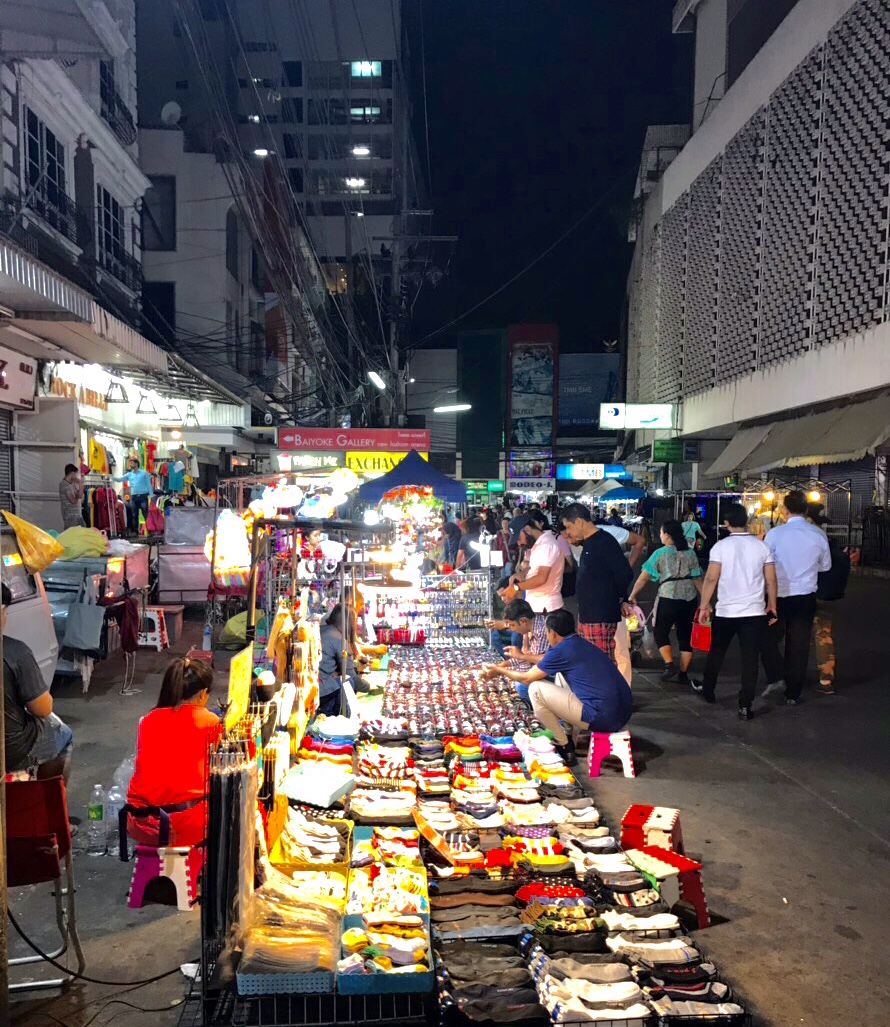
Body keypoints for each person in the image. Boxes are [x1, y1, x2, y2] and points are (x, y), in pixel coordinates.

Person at [492, 609, 632, 766]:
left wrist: (499, 670)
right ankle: (567, 731)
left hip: (602, 718)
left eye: (547, 631)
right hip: (623, 713)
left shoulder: (562, 650)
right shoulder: (579, 642)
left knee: (535, 689)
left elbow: (527, 678)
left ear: (552, 633)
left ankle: (565, 746)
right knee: (559, 675)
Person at [691, 503, 778, 719]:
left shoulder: (721, 547)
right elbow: (771, 579)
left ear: (726, 523)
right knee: (750, 659)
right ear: (746, 522)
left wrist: (703, 606)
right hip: (754, 612)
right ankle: (745, 705)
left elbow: (711, 578)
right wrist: (772, 605)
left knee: (717, 651)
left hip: (726, 611)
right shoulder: (762, 547)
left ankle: (708, 689)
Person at [126, 657, 221, 847]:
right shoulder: (210, 722)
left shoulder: (147, 720)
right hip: (183, 825)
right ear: (202, 694)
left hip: (139, 821)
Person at [760, 490, 832, 705]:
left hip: (777, 595)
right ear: (806, 509)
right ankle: (793, 692)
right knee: (798, 644)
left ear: (784, 510)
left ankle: (776, 675)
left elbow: (765, 564)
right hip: (805, 596)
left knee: (767, 639)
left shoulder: (774, 534)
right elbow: (825, 566)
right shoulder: (818, 534)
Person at [2, 583, 74, 778]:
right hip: (10, 749)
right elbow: (42, 709)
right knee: (63, 735)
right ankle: (44, 801)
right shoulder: (14, 652)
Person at [627, 520, 702, 684]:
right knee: (685, 636)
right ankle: (683, 673)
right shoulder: (690, 553)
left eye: (661, 533)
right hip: (689, 599)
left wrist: (632, 595)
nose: (660, 536)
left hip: (668, 598)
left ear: (667, 535)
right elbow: (697, 578)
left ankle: (669, 665)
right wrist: (705, 602)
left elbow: (643, 578)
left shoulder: (660, 553)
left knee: (660, 632)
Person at [559, 502, 633, 662]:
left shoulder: (604, 541)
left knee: (600, 662)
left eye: (569, 527)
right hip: (590, 614)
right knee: (591, 661)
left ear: (578, 521)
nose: (568, 533)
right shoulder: (589, 543)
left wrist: (619, 598)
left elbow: (624, 573)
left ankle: (608, 687)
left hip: (600, 614)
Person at [807, 505, 849, 696]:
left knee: (793, 633)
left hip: (805, 594)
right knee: (823, 636)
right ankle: (826, 679)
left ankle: (788, 675)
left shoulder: (807, 541)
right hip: (828, 596)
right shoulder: (832, 545)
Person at [482, 598, 551, 702]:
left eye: (513, 625)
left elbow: (542, 662)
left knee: (521, 685)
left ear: (523, 621)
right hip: (544, 669)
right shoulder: (531, 628)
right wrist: (499, 666)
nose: (512, 629)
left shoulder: (541, 630)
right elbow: (529, 658)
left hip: (554, 676)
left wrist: (503, 669)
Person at [501, 510, 564, 618]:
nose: (519, 543)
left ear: (528, 530)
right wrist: (522, 574)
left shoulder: (546, 545)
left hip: (546, 607)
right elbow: (537, 567)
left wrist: (515, 588)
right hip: (539, 606)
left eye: (519, 538)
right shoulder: (539, 545)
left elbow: (541, 578)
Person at [318, 604, 370, 716]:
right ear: (348, 623)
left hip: (317, 685)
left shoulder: (322, 629)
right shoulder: (339, 640)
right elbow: (350, 675)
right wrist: (368, 686)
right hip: (320, 690)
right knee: (347, 681)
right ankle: (344, 719)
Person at [113, 457, 153, 535]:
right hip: (134, 497)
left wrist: (151, 496)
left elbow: (149, 484)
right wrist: (111, 477)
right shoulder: (129, 474)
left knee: (146, 514)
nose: (130, 465)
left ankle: (150, 530)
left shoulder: (144, 473)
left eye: (131, 463)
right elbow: (119, 479)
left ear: (136, 464)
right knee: (134, 514)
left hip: (143, 496)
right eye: (130, 463)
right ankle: (135, 531)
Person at [59, 463, 85, 529]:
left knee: (83, 532)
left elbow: (80, 496)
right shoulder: (64, 485)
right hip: (69, 516)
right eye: (75, 473)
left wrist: (80, 484)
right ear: (72, 473)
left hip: (77, 515)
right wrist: (77, 496)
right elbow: (73, 500)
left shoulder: (73, 483)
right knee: (71, 535)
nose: (76, 476)